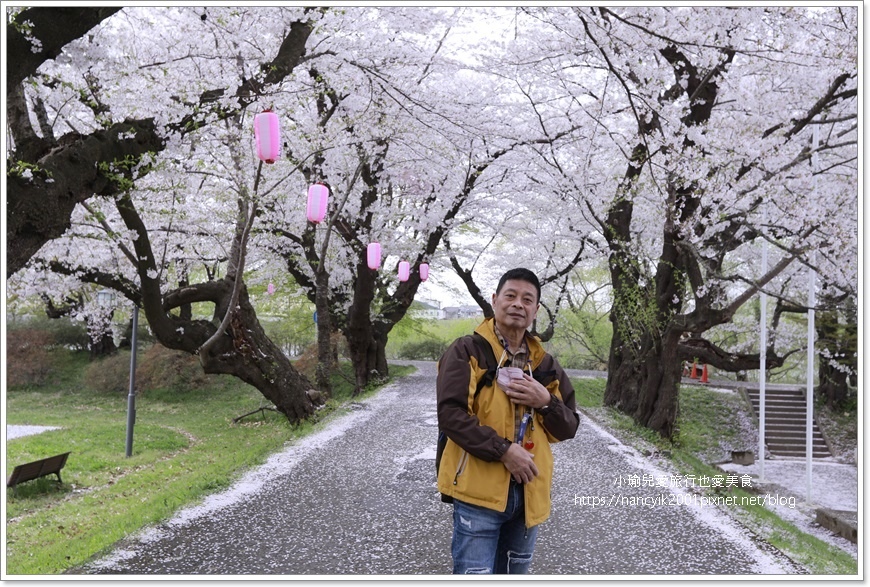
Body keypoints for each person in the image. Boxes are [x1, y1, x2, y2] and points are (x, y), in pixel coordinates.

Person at [436, 267, 580, 574]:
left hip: (529, 495)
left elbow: (569, 425)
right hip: (478, 494)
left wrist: (544, 402)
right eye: (510, 295)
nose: (518, 304)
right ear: (494, 300)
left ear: (536, 310)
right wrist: (504, 451)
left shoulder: (545, 364)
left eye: (527, 299)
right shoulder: (467, 350)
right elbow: (451, 415)